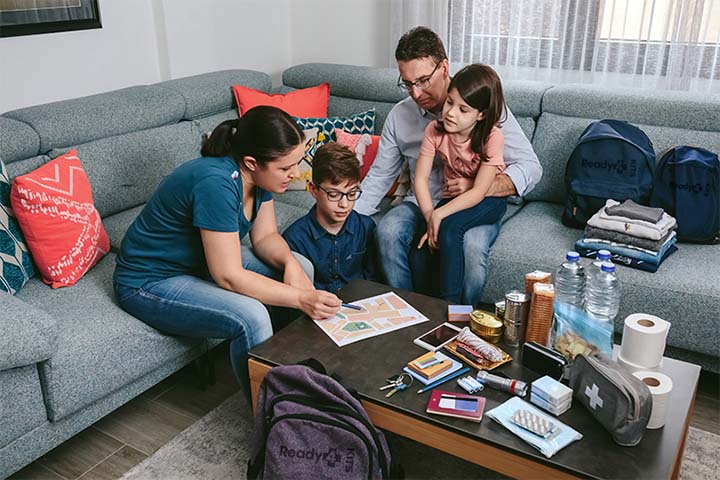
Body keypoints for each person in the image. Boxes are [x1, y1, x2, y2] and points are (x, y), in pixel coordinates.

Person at [113, 106, 342, 397]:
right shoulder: (216, 184)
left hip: (197, 263)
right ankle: (269, 415)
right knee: (252, 315)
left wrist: (290, 264)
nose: (295, 175)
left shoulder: (260, 178)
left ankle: (294, 369)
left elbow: (266, 237)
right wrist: (300, 298)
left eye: (295, 164)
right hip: (148, 281)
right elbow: (229, 276)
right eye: (286, 168)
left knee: (300, 264)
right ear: (251, 162)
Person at [354, 26, 542, 305]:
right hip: (421, 202)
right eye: (407, 83)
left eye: (423, 80)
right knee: (388, 231)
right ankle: (409, 313)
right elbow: (380, 175)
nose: (416, 93)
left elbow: (530, 166)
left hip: (472, 202)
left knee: (472, 247)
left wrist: (481, 186)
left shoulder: (482, 106)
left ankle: (460, 322)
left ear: (444, 67)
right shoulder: (401, 116)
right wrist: (344, 215)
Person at [415, 64, 508, 303]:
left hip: (488, 200)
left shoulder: (492, 137)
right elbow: (421, 179)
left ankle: (452, 310)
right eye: (449, 103)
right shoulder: (434, 131)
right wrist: (429, 216)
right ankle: (426, 307)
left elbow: (478, 192)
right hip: (453, 198)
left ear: (481, 114)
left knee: (450, 228)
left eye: (463, 109)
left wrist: (440, 216)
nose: (451, 113)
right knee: (423, 243)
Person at [282, 142, 378, 293]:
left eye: (352, 194)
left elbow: (373, 280)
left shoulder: (366, 228)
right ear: (313, 190)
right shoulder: (294, 239)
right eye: (334, 195)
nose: (344, 204)